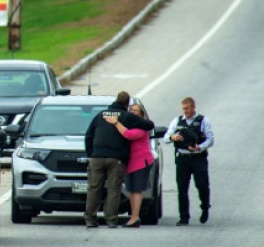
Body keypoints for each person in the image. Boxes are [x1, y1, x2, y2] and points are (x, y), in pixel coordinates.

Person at [84, 91, 154, 229]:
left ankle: (90, 219)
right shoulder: (127, 116)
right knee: (113, 189)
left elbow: (88, 135)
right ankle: (111, 220)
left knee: (94, 188)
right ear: (127, 104)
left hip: (97, 157)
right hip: (116, 159)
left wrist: (90, 154)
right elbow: (149, 125)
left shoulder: (100, 115)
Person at [163, 96, 214, 226]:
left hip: (198, 158)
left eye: (187, 108)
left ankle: (205, 206)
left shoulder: (203, 120)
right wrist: (173, 137)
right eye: (183, 109)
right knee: (182, 188)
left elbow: (210, 139)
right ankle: (184, 217)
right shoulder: (177, 121)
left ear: (193, 108)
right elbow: (166, 138)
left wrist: (200, 147)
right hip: (183, 159)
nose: (185, 111)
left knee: (202, 186)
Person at [104, 103, 154, 228]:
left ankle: (135, 217)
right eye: (131, 110)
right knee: (131, 190)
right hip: (131, 162)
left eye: (136, 110)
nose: (133, 112)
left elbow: (128, 134)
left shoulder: (142, 126)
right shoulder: (128, 123)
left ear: (141, 114)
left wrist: (115, 122)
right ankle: (133, 217)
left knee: (136, 189)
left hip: (141, 162)